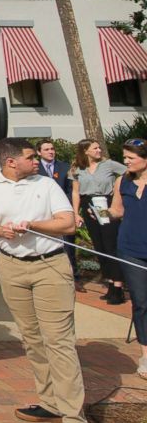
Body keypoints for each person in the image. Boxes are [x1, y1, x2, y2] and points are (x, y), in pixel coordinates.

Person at [0, 138, 83, 423]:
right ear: (11, 162)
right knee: (33, 339)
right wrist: (0, 231)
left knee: (58, 341)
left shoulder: (45, 184)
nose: (37, 161)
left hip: (50, 266)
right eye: (31, 157)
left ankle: (73, 413)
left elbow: (67, 223)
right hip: (11, 267)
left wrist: (33, 224)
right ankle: (50, 403)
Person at [107, 138, 147, 380]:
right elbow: (117, 210)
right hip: (130, 248)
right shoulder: (122, 181)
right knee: (142, 302)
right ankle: (145, 355)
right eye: (124, 157)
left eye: (130, 158)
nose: (126, 162)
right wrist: (102, 212)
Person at [70, 139, 127, 305]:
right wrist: (76, 213)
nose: (99, 150)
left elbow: (129, 173)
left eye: (99, 147)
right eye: (95, 148)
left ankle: (118, 288)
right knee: (100, 246)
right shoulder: (77, 169)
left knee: (111, 245)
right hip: (89, 206)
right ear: (85, 151)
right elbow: (75, 192)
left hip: (106, 204)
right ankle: (110, 284)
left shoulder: (109, 165)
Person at [36, 140, 78, 280]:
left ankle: (73, 276)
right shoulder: (35, 169)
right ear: (39, 152)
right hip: (43, 214)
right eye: (46, 149)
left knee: (68, 245)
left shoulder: (65, 167)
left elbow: (71, 190)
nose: (50, 152)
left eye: (52, 149)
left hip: (63, 213)